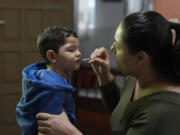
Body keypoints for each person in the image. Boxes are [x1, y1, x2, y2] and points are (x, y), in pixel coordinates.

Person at [36, 11, 180, 135]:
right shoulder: (136, 78)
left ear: (141, 58)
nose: (112, 49)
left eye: (118, 45)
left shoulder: (162, 115)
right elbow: (123, 114)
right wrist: (104, 76)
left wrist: (69, 132)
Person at [16, 26, 81, 135]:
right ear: (51, 56)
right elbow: (48, 130)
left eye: (78, 48)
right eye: (71, 50)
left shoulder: (51, 76)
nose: (78, 53)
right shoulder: (52, 89)